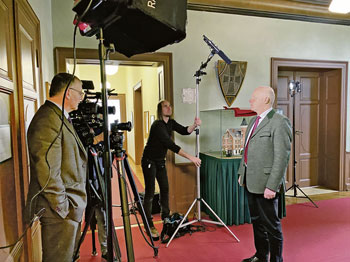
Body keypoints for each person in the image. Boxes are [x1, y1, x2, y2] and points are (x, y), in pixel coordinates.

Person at [24, 73, 87, 262]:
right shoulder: (47, 119)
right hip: (58, 211)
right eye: (80, 93)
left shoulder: (58, 116)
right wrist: (63, 208)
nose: (81, 97)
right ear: (68, 93)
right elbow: (48, 170)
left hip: (67, 207)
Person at [238, 86, 292, 262]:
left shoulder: (279, 121)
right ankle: (261, 256)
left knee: (272, 226)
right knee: (256, 222)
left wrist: (272, 185)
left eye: (254, 97)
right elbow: (246, 150)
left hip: (266, 184)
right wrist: (242, 173)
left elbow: (281, 157)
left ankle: (276, 260)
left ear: (266, 100)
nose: (250, 100)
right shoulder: (254, 120)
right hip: (250, 181)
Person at [142, 100, 201, 239]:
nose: (169, 108)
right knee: (150, 192)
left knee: (165, 189)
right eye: (165, 106)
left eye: (170, 106)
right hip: (149, 161)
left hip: (160, 161)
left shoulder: (171, 123)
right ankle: (148, 224)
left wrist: (194, 125)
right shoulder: (157, 125)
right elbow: (170, 145)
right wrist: (190, 157)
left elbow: (184, 131)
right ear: (160, 109)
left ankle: (165, 218)